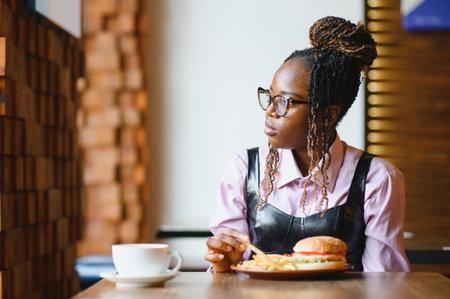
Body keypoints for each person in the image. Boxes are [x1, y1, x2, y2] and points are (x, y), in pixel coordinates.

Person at [204, 16, 411, 272]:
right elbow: (229, 277)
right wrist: (224, 264)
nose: (269, 110)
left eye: (284, 102)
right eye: (269, 97)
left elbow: (384, 282)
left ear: (327, 115)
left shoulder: (377, 179)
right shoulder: (242, 170)